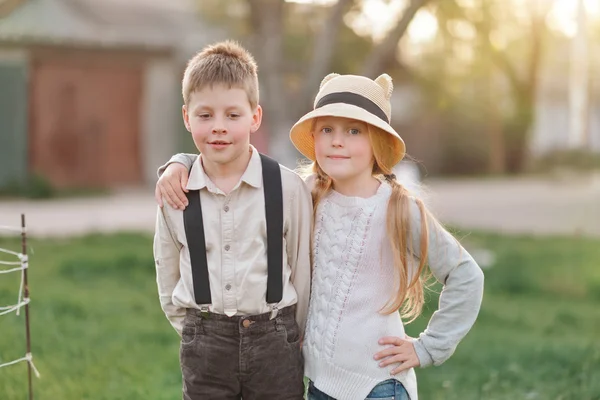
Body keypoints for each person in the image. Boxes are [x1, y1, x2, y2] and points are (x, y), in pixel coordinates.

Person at [156, 73, 484, 400]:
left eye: (354, 131)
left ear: (378, 142)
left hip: (378, 385)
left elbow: (465, 275)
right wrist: (180, 163)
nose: (337, 141)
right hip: (319, 384)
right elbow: (233, 162)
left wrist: (428, 347)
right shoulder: (307, 194)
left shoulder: (398, 207)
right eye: (327, 130)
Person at [153, 40, 312, 400]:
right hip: (205, 344)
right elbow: (167, 267)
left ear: (255, 117)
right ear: (186, 117)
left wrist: (293, 331)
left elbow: (302, 268)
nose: (219, 127)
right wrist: (192, 329)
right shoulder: (177, 190)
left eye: (233, 115)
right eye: (205, 115)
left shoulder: (288, 188)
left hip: (275, 341)